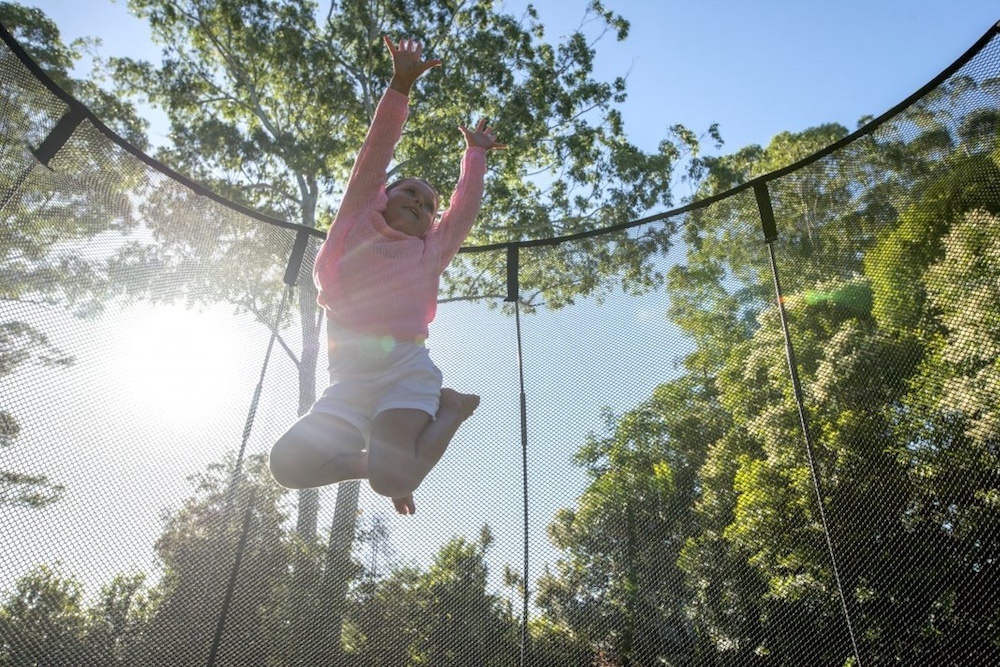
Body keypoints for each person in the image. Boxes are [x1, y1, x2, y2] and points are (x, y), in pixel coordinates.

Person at [269, 36, 504, 515]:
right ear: (383, 197)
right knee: (287, 465)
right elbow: (374, 154)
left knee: (390, 479)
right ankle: (378, 461)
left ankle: (451, 409)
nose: (420, 203)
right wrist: (400, 85)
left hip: (403, 372)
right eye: (410, 193)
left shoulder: (429, 251)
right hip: (349, 380)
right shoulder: (358, 220)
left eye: (428, 205)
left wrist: (475, 156)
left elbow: (462, 213)